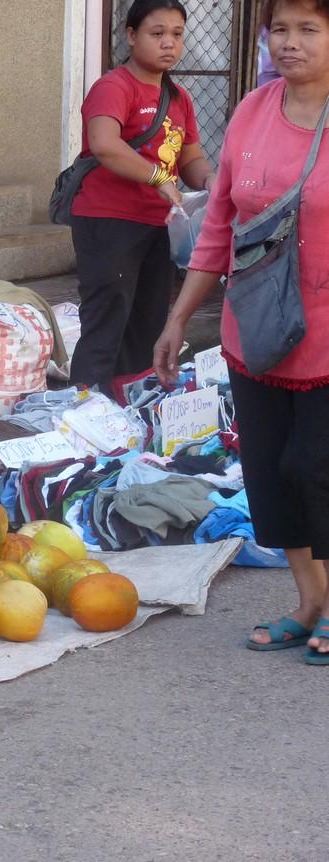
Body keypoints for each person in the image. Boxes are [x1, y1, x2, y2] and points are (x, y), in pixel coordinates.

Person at [153, 0, 329, 664]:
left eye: (309, 29)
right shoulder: (254, 110)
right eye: (279, 29)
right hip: (254, 331)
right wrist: (176, 319)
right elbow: (218, 227)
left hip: (326, 335)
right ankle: (310, 600)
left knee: (315, 468)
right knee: (269, 477)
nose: (290, 43)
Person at [68, 0, 214, 397]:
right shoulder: (114, 87)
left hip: (160, 227)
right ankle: (85, 410)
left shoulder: (179, 97)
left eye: (177, 34)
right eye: (157, 33)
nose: (169, 43)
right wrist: (158, 177)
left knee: (146, 324)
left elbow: (191, 158)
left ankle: (130, 409)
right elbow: (104, 144)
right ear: (131, 36)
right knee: (106, 321)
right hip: (108, 221)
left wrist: (213, 181)